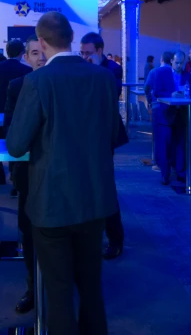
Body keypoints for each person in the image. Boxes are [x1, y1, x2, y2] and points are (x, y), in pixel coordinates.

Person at [7, 12, 125, 335]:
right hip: (94, 199)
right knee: (91, 289)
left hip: (52, 203)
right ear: (72, 38)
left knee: (58, 294)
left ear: (41, 43)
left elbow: (16, 146)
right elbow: (115, 134)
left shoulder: (37, 81)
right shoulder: (103, 79)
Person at [4, 35, 46, 314]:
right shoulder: (17, 86)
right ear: (27, 58)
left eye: (43, 51)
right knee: (29, 233)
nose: (40, 57)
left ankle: (56, 288)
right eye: (34, 53)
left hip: (58, 175)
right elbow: (11, 129)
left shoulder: (63, 85)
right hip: (28, 173)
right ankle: (33, 287)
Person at [80, 32, 126, 260]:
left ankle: (116, 239)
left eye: (88, 53)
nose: (84, 57)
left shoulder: (112, 69)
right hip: (85, 134)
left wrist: (97, 68)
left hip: (105, 136)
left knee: (106, 187)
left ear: (99, 51)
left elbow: (114, 93)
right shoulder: (82, 68)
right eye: (82, 53)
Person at [0, 38, 31, 206]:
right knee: (17, 153)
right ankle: (16, 187)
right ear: (21, 53)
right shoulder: (27, 70)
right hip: (19, 118)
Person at [145, 51, 185, 186]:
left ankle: (180, 173)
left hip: (181, 114)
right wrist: (171, 95)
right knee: (164, 146)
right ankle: (165, 174)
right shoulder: (160, 73)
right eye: (177, 62)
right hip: (165, 113)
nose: (179, 65)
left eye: (181, 63)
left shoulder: (187, 75)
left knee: (180, 146)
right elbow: (156, 91)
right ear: (171, 61)